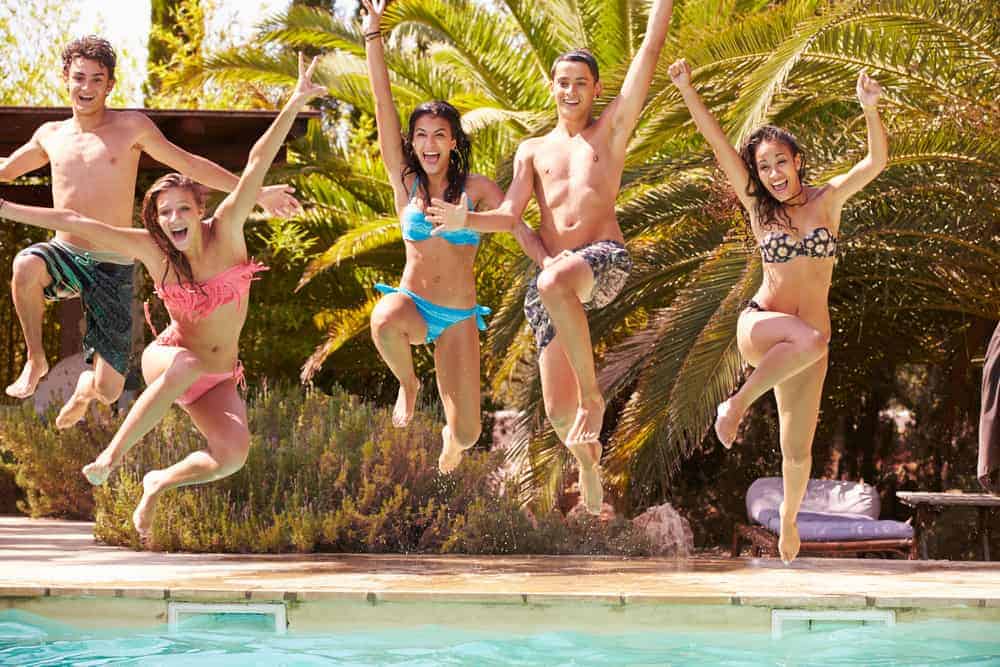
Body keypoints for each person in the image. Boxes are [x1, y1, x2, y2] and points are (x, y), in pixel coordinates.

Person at [0, 54, 326, 545]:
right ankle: (111, 456)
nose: (174, 219)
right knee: (182, 362)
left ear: (201, 211)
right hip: (171, 357)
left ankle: (157, 482)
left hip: (217, 373)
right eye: (164, 212)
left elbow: (256, 162)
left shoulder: (228, 232)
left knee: (232, 455)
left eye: (182, 210)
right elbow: (82, 225)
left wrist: (295, 101)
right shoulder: (154, 250)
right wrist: (6, 206)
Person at [426, 0, 675, 513]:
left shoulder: (610, 133)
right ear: (552, 87)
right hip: (554, 276)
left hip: (602, 260)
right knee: (561, 414)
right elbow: (510, 216)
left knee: (553, 284)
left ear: (597, 89)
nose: (570, 90)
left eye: (580, 82)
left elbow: (649, 49)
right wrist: (463, 220)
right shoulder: (531, 150)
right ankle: (587, 461)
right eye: (563, 81)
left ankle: (594, 394)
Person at [0, 35, 300, 427]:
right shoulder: (50, 136)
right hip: (66, 253)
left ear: (110, 85)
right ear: (65, 79)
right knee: (25, 265)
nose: (86, 88)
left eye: (96, 79)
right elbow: (5, 170)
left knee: (109, 390)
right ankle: (36, 358)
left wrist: (257, 193)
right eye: (79, 78)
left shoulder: (130, 127)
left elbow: (189, 164)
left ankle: (88, 386)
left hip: (113, 262)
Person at [668, 58, 887, 561]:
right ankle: (736, 405)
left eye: (780, 163)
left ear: (798, 160)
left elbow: (874, 163)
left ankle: (789, 522)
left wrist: (871, 111)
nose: (772, 175)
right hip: (761, 327)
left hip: (806, 350)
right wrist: (687, 88)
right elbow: (719, 145)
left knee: (797, 449)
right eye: (763, 167)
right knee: (812, 339)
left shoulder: (827, 201)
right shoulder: (756, 205)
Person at [361, 0, 548, 473]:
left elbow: (514, 222)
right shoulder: (406, 184)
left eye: (439, 135)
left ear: (454, 142)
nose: (428, 144)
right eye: (421, 135)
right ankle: (409, 385)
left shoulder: (476, 189)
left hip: (459, 316)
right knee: (383, 318)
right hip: (414, 306)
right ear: (413, 142)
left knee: (467, 432)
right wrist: (373, 38)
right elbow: (382, 108)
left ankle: (451, 436)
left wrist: (547, 262)